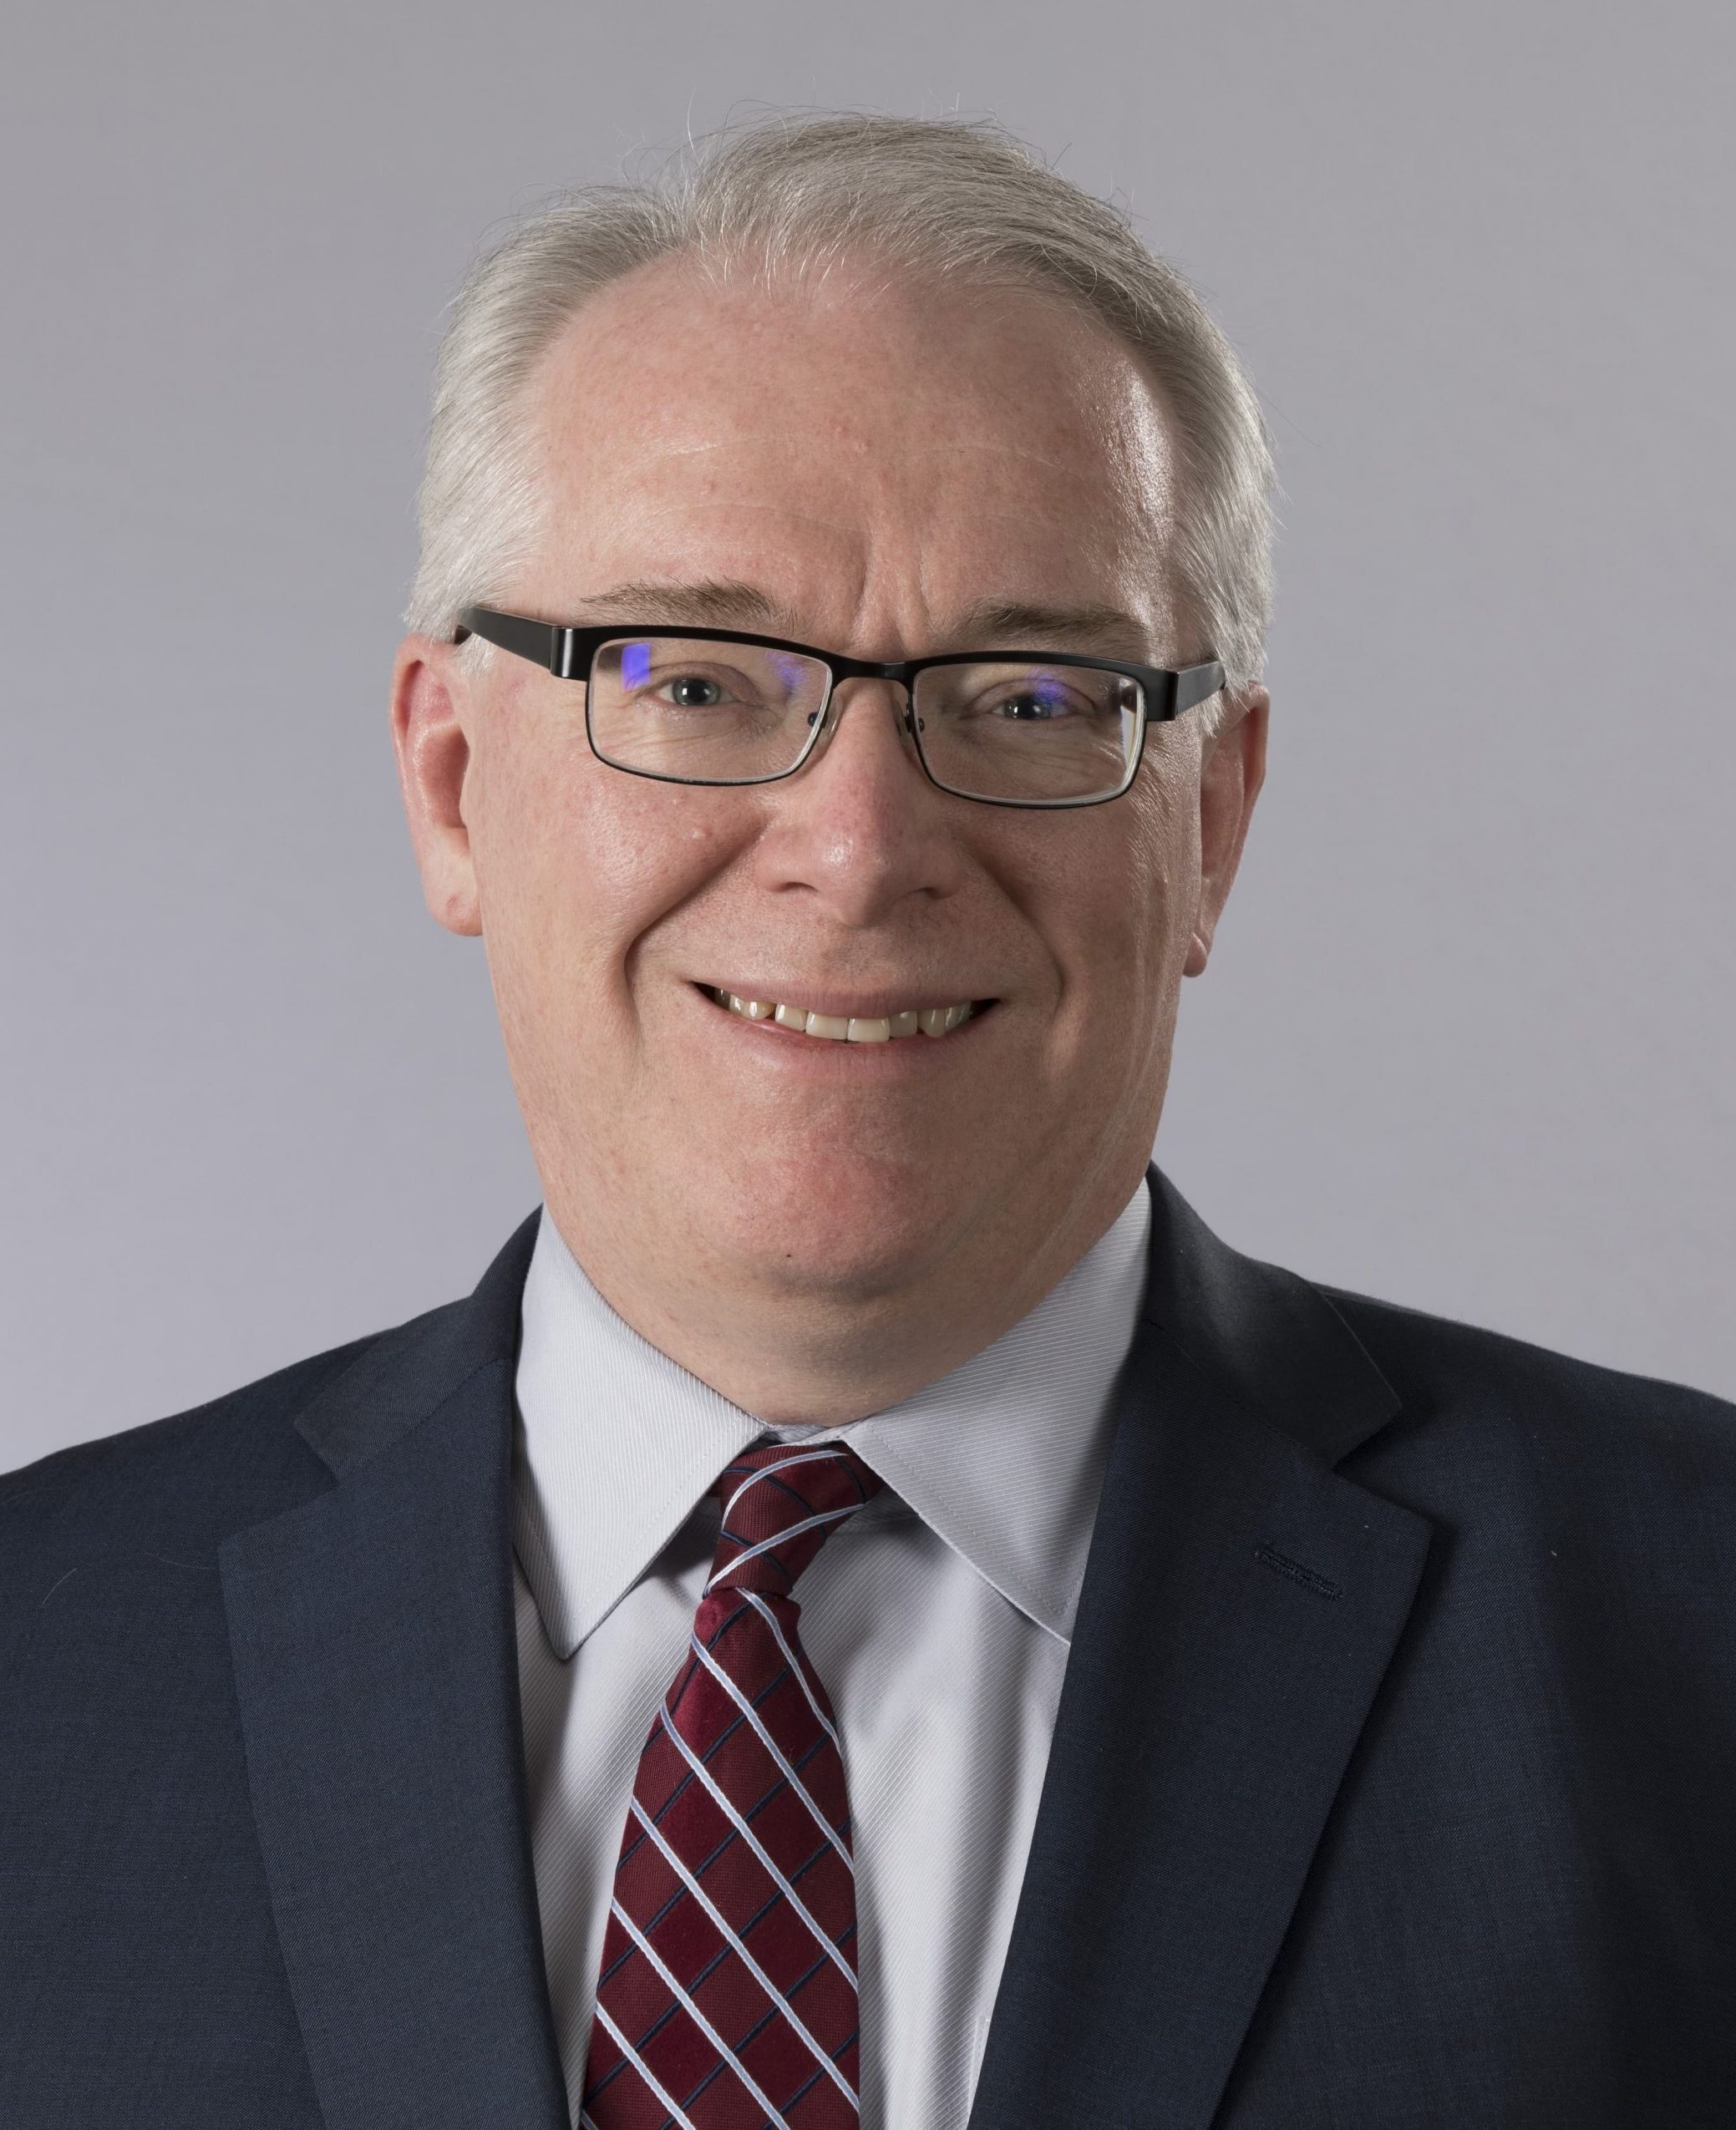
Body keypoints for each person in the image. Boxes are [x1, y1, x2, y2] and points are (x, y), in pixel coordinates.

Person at [2, 111, 1731, 2130]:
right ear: (455, 783)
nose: (856, 846)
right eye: (700, 680)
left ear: (1213, 818)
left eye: (1029, 698)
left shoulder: (1686, 1634)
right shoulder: (43, 1668)